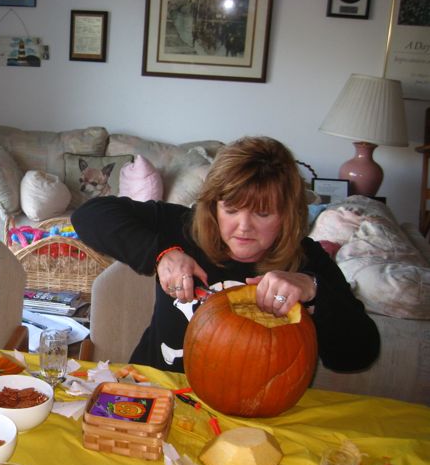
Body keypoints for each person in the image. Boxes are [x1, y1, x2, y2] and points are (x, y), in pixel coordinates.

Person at [72, 136, 380, 373]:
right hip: (157, 390)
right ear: (213, 206)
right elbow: (89, 215)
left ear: (287, 214)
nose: (243, 227)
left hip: (256, 415)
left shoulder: (306, 260)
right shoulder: (183, 228)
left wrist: (313, 291)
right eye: (231, 209)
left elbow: (357, 356)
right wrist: (161, 254)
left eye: (262, 213)